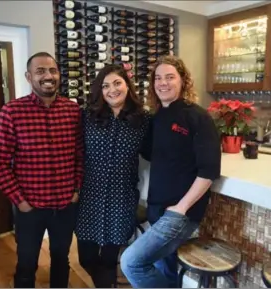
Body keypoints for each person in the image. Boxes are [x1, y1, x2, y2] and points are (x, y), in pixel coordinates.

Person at [120, 55, 221, 288]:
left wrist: (181, 208)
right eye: (158, 78)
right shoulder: (157, 118)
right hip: (157, 208)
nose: (163, 83)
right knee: (164, 269)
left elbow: (209, 171)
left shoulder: (198, 116)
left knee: (132, 263)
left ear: (183, 81)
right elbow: (149, 153)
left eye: (170, 77)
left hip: (180, 213)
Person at [0, 52, 83, 288]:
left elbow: (81, 156)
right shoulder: (11, 112)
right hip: (30, 208)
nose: (48, 76)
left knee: (61, 259)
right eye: (40, 71)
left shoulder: (73, 112)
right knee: (27, 263)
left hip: (65, 205)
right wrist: (20, 201)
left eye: (52, 70)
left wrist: (76, 190)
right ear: (28, 77)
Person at [75, 64, 152, 288]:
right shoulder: (87, 116)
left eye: (117, 83)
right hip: (90, 199)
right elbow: (76, 152)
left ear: (127, 86)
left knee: (109, 261)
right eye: (106, 85)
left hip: (122, 199)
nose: (112, 90)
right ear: (100, 90)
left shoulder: (143, 120)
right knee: (86, 258)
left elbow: (153, 151)